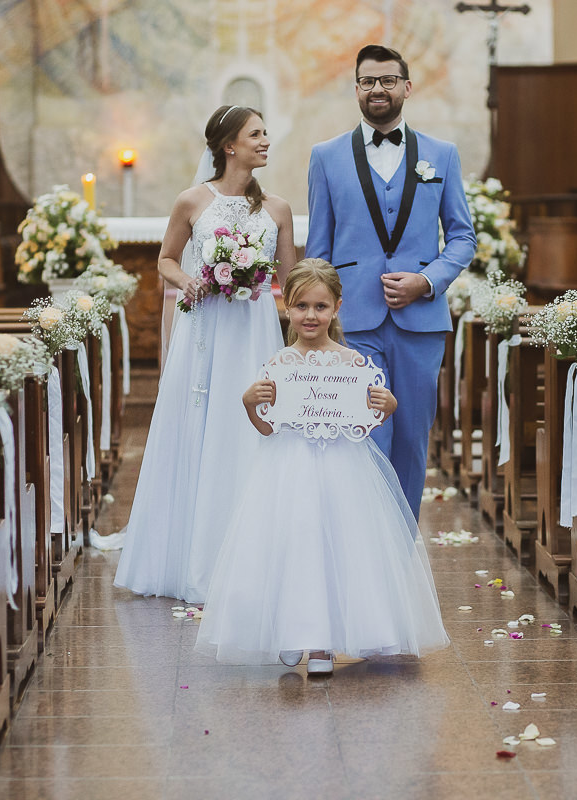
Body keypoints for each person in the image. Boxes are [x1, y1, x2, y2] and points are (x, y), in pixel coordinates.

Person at [194, 259, 449, 674]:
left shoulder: (352, 364)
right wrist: (249, 403)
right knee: (294, 543)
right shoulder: (279, 365)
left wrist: (388, 406)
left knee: (337, 547)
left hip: (342, 468)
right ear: (287, 306)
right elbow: (267, 428)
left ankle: (322, 646)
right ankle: (291, 632)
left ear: (337, 308)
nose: (310, 316)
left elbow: (364, 423)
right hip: (289, 467)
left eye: (320, 306)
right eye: (301, 306)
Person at [113, 104, 296, 603]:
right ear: (228, 146)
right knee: (203, 423)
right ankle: (193, 558)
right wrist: (190, 280)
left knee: (250, 424)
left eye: (265, 133)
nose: (266, 141)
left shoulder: (277, 208)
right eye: (256, 134)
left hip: (254, 328)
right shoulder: (192, 201)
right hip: (206, 328)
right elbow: (166, 259)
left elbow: (290, 281)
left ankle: (254, 557)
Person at [306, 44, 476, 520]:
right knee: (365, 432)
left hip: (421, 323)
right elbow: (318, 249)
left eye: (387, 80)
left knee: (412, 438)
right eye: (367, 81)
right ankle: (367, 541)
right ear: (356, 89)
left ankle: (402, 545)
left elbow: (462, 237)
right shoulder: (326, 157)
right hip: (353, 322)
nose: (377, 89)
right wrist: (316, 318)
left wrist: (426, 280)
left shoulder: (442, 155)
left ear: (407, 87)